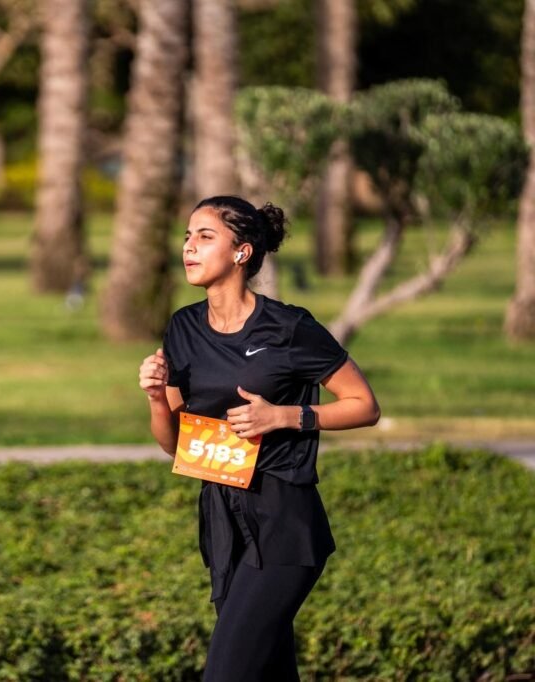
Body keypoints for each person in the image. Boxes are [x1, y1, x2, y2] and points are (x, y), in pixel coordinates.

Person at [138, 195, 381, 681]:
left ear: (241, 252)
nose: (189, 247)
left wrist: (284, 417)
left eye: (205, 237)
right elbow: (175, 443)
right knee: (267, 672)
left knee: (226, 673)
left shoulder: (289, 327)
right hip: (222, 520)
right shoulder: (183, 327)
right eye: (187, 236)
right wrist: (153, 397)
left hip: (284, 523)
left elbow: (365, 407)